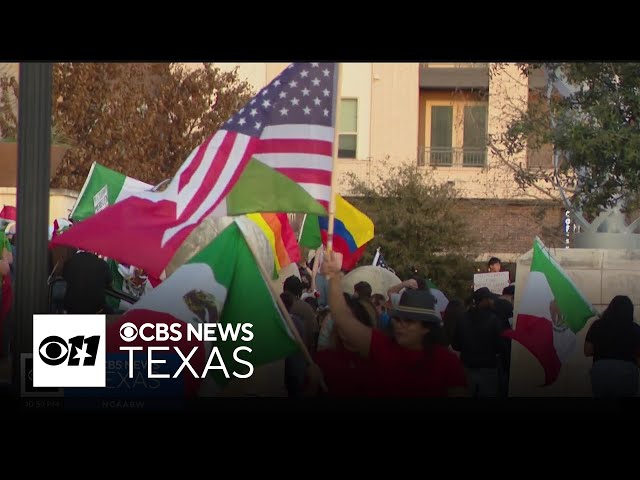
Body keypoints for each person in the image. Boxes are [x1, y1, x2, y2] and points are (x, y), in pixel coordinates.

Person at [318, 252, 467, 397]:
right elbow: (342, 317)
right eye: (397, 318)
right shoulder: (381, 346)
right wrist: (334, 276)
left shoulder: (447, 363)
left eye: (409, 321)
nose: (400, 325)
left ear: (426, 327)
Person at [584, 295, 640, 398]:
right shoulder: (635, 328)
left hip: (601, 371)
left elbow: (587, 351)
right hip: (627, 372)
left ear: (610, 308)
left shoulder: (597, 325)